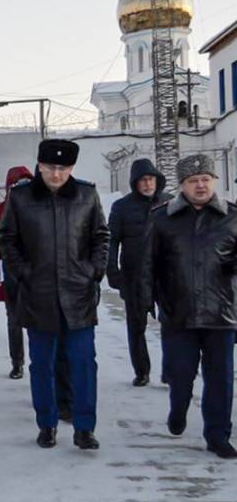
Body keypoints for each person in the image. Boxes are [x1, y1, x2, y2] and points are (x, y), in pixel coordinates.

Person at [0, 139, 110, 451]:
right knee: (42, 364)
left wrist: (93, 270)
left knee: (84, 363)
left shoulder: (87, 195)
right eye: (50, 167)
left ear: (71, 168)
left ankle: (84, 428)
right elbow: (6, 238)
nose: (56, 174)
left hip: (79, 295)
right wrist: (23, 272)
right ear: (40, 166)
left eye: (63, 168)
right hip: (38, 295)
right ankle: (46, 424)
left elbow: (101, 235)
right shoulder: (21, 197)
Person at [139, 154, 237, 459]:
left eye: (205, 179)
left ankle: (217, 435)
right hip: (178, 313)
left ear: (214, 182)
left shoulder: (232, 217)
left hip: (222, 314)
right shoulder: (162, 219)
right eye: (193, 181)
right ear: (182, 185)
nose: (200, 185)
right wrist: (147, 303)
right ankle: (178, 408)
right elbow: (147, 265)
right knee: (180, 375)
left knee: (220, 378)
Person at [107, 159, 170, 387]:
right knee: (136, 327)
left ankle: (170, 371)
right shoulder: (121, 207)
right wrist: (112, 272)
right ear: (135, 183)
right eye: (142, 180)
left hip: (165, 276)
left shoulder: (169, 203)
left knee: (171, 325)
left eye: (151, 179)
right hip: (133, 275)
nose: (147, 184)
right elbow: (111, 241)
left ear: (157, 180)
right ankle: (142, 371)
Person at [0, 166, 33, 379]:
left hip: (37, 274)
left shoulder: (40, 209)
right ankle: (17, 361)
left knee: (39, 322)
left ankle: (40, 365)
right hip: (9, 272)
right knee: (14, 319)